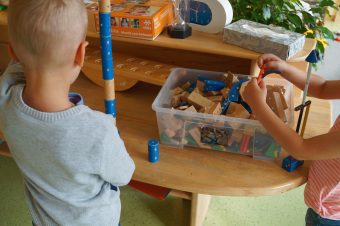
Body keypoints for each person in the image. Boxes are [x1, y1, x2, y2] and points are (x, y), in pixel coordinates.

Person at [1, 0, 135, 225]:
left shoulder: (5, 96)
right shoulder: (98, 131)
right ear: (81, 53)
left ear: (12, 50)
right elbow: (124, 175)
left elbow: (16, 69)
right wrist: (109, 135)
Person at [243, 53, 340, 225]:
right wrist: (285, 69)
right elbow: (323, 87)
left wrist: (258, 105)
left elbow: (301, 149)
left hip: (327, 213)